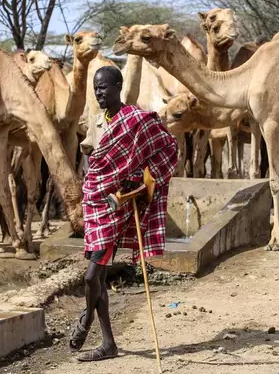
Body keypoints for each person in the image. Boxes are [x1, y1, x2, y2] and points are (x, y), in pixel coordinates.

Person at [69, 66, 178, 362]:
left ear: (118, 86)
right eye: (96, 88)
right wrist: (93, 183)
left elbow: (168, 147)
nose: (99, 93)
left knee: (92, 276)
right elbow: (93, 161)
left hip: (120, 206)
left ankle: (87, 316)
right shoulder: (95, 122)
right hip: (96, 203)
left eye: (104, 87)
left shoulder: (137, 120)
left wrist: (143, 182)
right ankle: (108, 344)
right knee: (98, 276)